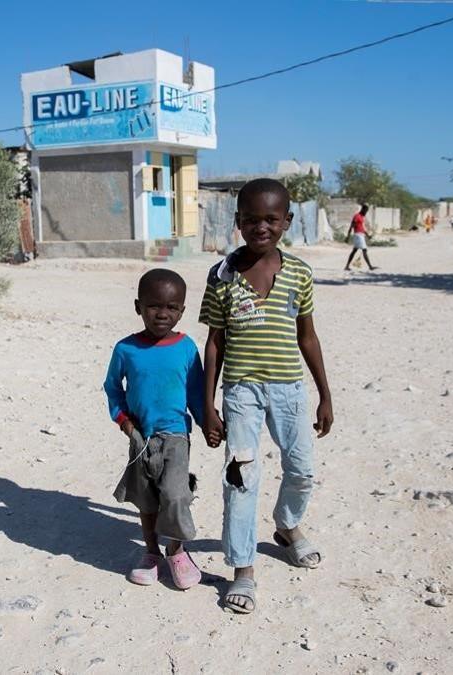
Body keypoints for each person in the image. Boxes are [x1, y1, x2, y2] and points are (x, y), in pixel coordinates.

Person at [200, 178, 334, 615]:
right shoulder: (221, 276)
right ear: (238, 222)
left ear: (287, 222)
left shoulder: (298, 273)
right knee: (241, 477)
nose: (261, 227)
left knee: (302, 469)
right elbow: (215, 342)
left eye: (271, 219)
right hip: (241, 392)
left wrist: (324, 395)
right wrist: (208, 404)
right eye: (252, 219)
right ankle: (243, 568)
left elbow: (308, 337)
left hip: (290, 390)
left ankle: (288, 525)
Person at [104, 268, 206, 590]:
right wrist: (123, 420)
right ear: (138, 306)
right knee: (147, 502)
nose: (163, 314)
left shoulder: (187, 348)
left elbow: (196, 392)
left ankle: (176, 550)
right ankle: (151, 554)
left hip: (176, 435)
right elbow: (112, 388)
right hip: (141, 438)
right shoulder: (125, 349)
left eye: (172, 308)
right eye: (153, 306)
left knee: (175, 496)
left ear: (182, 311)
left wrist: (208, 423)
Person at [343, 204, 377, 271]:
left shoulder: (361, 217)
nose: (366, 213)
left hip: (360, 235)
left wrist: (367, 235)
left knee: (354, 251)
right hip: (358, 235)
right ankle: (370, 266)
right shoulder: (357, 216)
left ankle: (346, 266)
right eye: (365, 211)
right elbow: (352, 226)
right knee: (364, 250)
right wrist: (348, 236)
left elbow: (362, 228)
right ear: (362, 209)